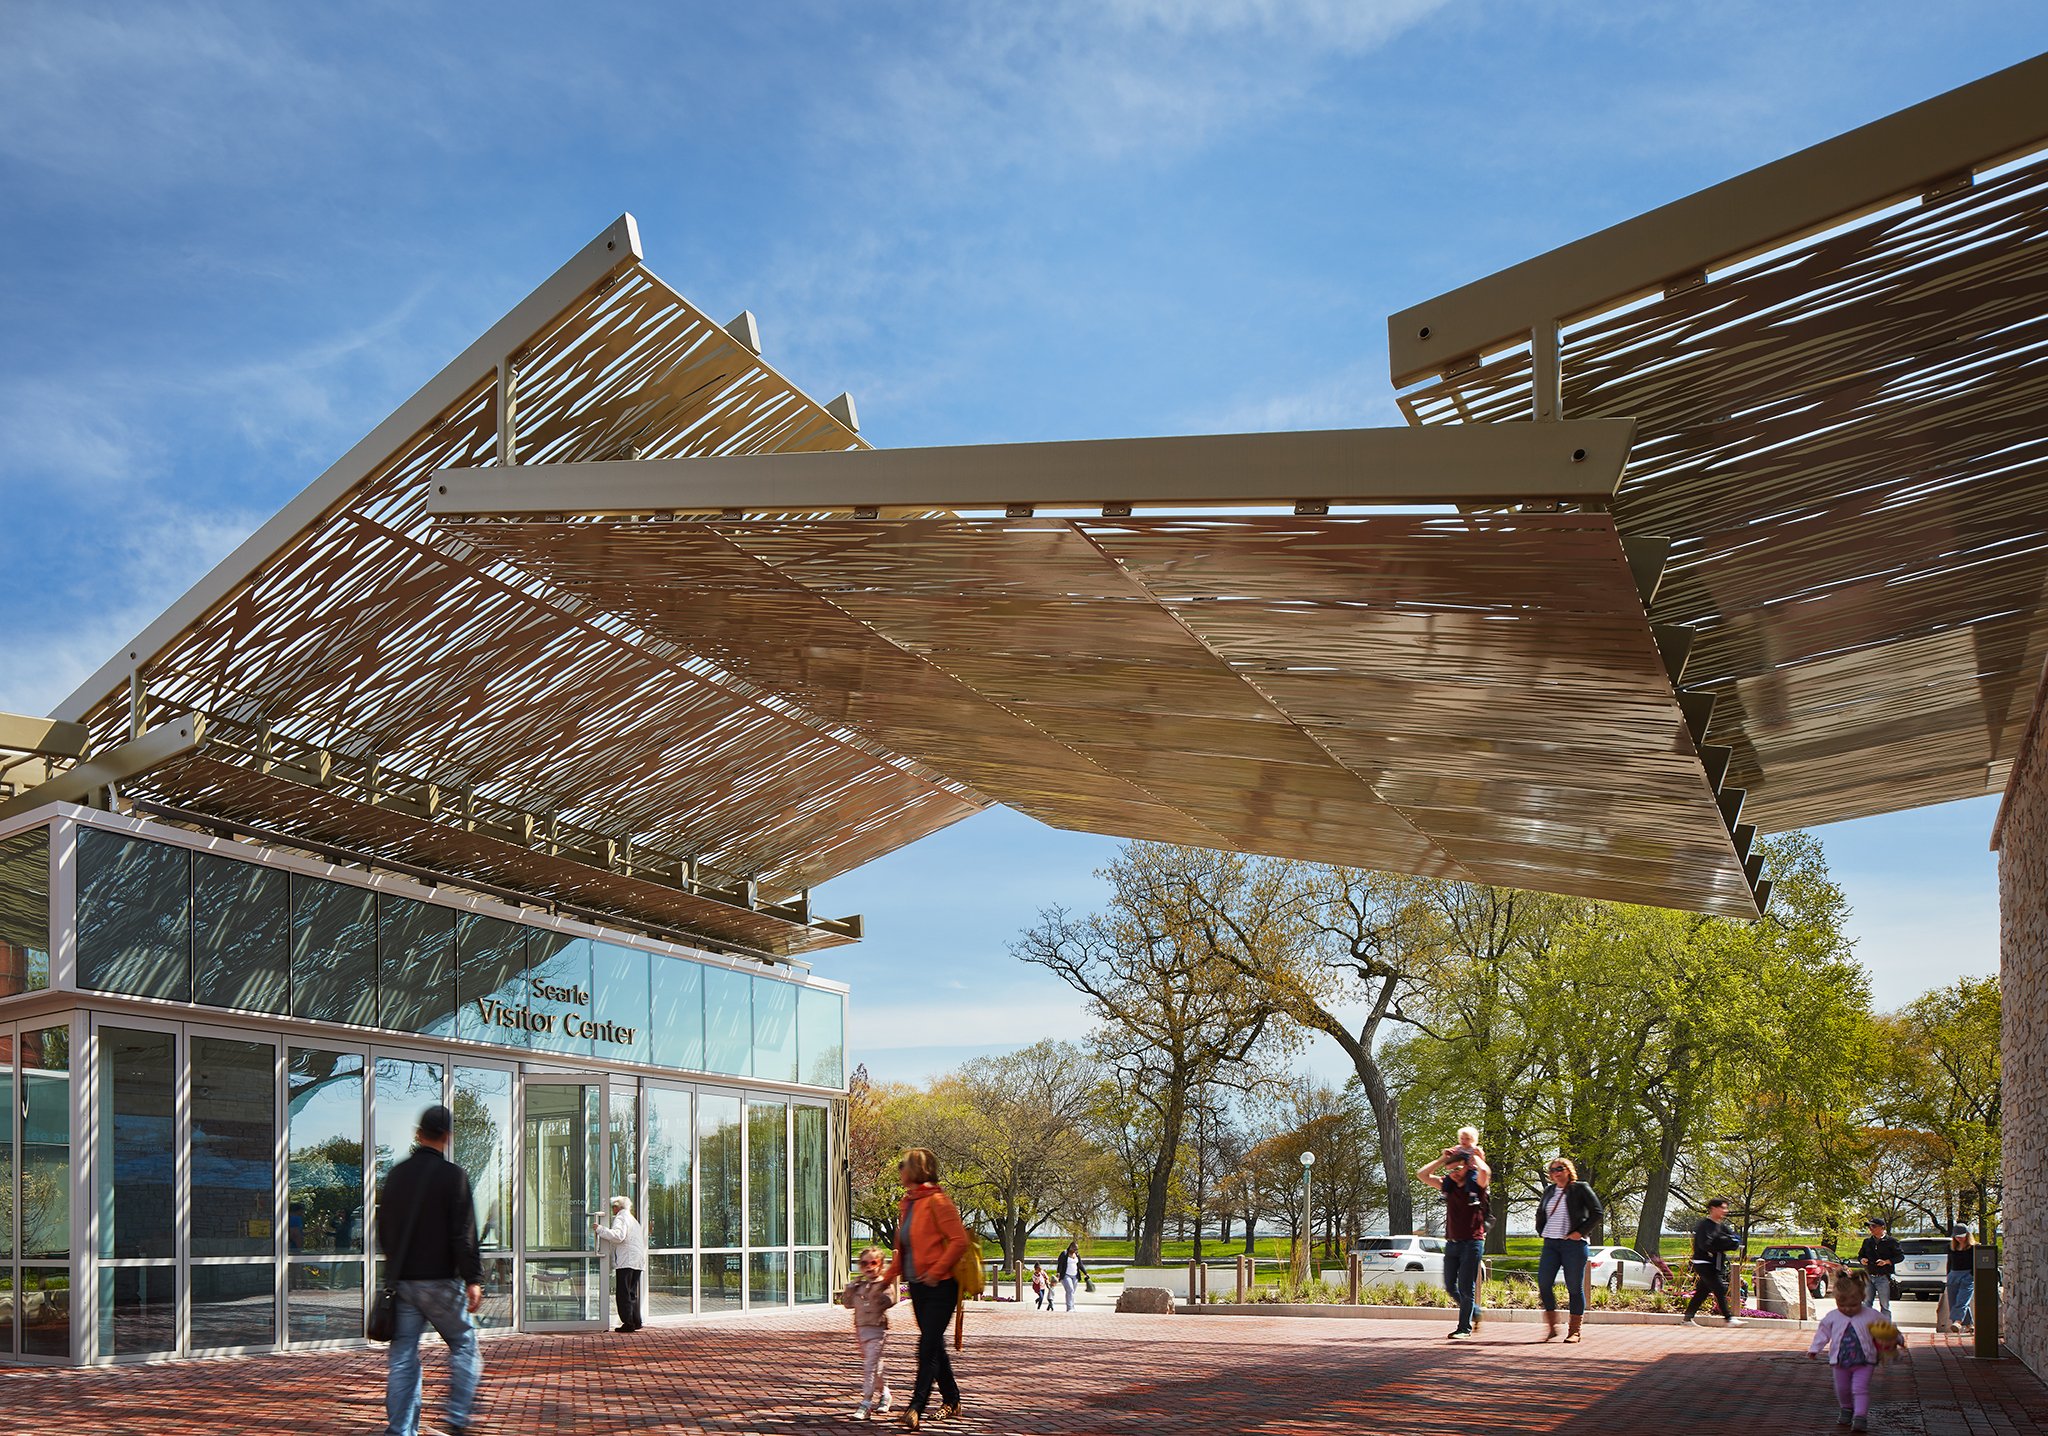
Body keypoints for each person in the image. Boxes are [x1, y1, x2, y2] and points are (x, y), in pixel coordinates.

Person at [376, 1103, 484, 1436]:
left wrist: (397, 1266)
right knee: (465, 1344)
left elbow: (384, 1231)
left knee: (403, 1357)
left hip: (404, 1284)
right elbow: (463, 1234)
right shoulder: (454, 1176)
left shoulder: (395, 1175)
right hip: (440, 1283)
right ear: (447, 1137)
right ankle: (456, 1417)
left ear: (418, 1134)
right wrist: (473, 1279)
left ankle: (401, 1430)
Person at [881, 1147, 969, 1431]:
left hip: (941, 1286)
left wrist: (936, 1270)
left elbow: (958, 1241)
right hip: (918, 1286)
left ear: (916, 1170)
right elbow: (902, 1248)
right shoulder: (908, 1203)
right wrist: (888, 1277)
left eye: (902, 1165)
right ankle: (952, 1399)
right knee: (934, 1346)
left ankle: (916, 1406)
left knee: (926, 1346)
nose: (899, 1170)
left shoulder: (939, 1202)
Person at [1414, 1141, 1491, 1339]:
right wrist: (1442, 1159)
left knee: (1466, 1286)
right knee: (1450, 1286)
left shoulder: (1477, 1185)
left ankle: (1464, 1328)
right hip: (1453, 1243)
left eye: (1458, 1168)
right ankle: (1475, 1311)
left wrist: (1476, 1157)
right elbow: (1421, 1175)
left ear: (1467, 1167)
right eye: (1451, 1169)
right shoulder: (1447, 1186)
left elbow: (1486, 1173)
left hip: (1472, 1242)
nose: (1454, 1172)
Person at [1808, 1272, 1900, 1431]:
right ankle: (1846, 1408)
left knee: (1860, 1388)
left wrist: (1897, 1339)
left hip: (1865, 1361)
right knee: (1842, 1389)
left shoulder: (1871, 1315)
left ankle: (1860, 1416)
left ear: (1862, 1298)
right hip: (1840, 1362)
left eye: (1853, 1305)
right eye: (1842, 1306)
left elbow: (1887, 1328)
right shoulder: (1833, 1317)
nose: (1847, 1309)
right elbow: (1823, 1333)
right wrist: (1815, 1348)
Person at [1533, 1156, 1603, 1343]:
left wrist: (1580, 1232)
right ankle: (1552, 1326)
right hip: (1551, 1244)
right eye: (1552, 1170)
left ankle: (1574, 1331)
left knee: (1573, 1286)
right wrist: (1541, 1230)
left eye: (1559, 1168)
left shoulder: (1580, 1188)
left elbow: (1597, 1212)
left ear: (1568, 1170)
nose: (1556, 1173)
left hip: (1573, 1245)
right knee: (1544, 1283)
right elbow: (1541, 1212)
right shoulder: (1549, 1191)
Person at [839, 1245, 897, 1421]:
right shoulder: (859, 1286)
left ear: (881, 1264)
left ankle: (866, 1404)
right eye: (864, 1263)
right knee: (876, 1367)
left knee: (870, 1367)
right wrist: (850, 1288)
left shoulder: (884, 1285)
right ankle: (886, 1393)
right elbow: (847, 1303)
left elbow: (890, 1300)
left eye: (874, 1262)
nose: (869, 1267)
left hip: (877, 1331)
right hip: (861, 1331)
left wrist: (881, 1288)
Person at [1682, 1198, 1744, 1327]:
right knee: (1719, 1288)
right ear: (1713, 1208)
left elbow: (1736, 1240)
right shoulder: (1704, 1225)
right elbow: (1704, 1245)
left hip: (1715, 1263)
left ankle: (1687, 1319)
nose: (1725, 1211)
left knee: (1702, 1292)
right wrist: (1722, 1243)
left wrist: (1724, 1242)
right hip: (1703, 1262)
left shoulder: (1722, 1226)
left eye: (1726, 1208)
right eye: (1722, 1208)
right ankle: (1729, 1319)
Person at [593, 1193, 646, 1332]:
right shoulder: (633, 1219)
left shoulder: (621, 1217)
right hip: (637, 1260)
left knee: (623, 1293)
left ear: (617, 1207)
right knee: (632, 1292)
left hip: (626, 1259)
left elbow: (618, 1236)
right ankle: (636, 1321)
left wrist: (600, 1229)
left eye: (613, 1207)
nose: (612, 1210)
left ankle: (628, 1323)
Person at [1857, 1218, 1903, 1313]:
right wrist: (1862, 1260)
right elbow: (1860, 1255)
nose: (1871, 1228)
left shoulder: (1892, 1241)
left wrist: (1887, 1261)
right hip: (1869, 1276)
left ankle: (1885, 1327)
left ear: (1882, 1228)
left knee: (1884, 1305)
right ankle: (1865, 1326)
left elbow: (1900, 1257)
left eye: (1873, 1226)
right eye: (1869, 1226)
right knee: (1866, 1304)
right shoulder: (1867, 1242)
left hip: (1884, 1278)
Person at [1946, 1225, 1975, 1333]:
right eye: (1957, 1236)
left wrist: (1971, 1276)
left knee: (1962, 1299)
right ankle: (1969, 1325)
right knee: (1953, 1300)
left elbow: (1975, 1263)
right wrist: (1948, 1275)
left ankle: (1957, 1322)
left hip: (1968, 1275)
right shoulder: (1951, 1247)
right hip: (1953, 1275)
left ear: (1967, 1235)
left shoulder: (1973, 1248)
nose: (1959, 1238)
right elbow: (1949, 1262)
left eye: (1961, 1236)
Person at [1056, 1241, 1087, 1312]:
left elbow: (1080, 1265)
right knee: (1070, 1290)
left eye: (1077, 1249)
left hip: (1075, 1276)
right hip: (1066, 1275)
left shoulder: (1077, 1255)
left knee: (1072, 1292)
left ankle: (1072, 1307)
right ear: (1070, 1247)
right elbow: (1060, 1264)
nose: (1075, 1250)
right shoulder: (1064, 1254)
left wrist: (1085, 1273)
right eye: (1074, 1249)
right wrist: (1058, 1273)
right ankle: (1069, 1308)